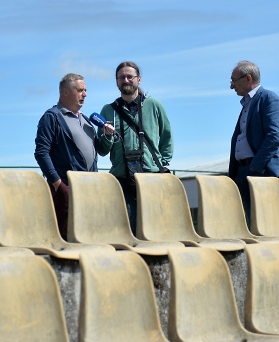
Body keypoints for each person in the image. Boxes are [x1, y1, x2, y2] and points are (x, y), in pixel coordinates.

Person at [97, 61, 174, 234]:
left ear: (138, 80)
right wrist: (107, 136)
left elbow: (167, 137)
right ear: (116, 82)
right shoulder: (108, 110)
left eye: (129, 76)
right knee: (125, 231)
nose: (126, 80)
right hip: (121, 180)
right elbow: (101, 149)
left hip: (152, 177)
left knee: (155, 229)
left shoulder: (154, 105)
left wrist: (161, 162)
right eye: (121, 77)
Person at [34, 73, 98, 240]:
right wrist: (58, 184)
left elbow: (95, 151)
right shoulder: (52, 117)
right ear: (65, 92)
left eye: (85, 90)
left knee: (87, 236)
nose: (85, 94)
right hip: (66, 189)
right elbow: (41, 152)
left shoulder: (86, 120)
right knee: (66, 237)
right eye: (80, 90)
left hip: (88, 189)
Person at [228, 60, 279, 224]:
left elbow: (274, 136)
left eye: (233, 81)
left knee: (267, 225)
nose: (231, 86)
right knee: (250, 226)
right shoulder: (247, 104)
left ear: (248, 78)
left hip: (262, 172)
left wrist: (255, 166)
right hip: (245, 172)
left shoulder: (269, 98)